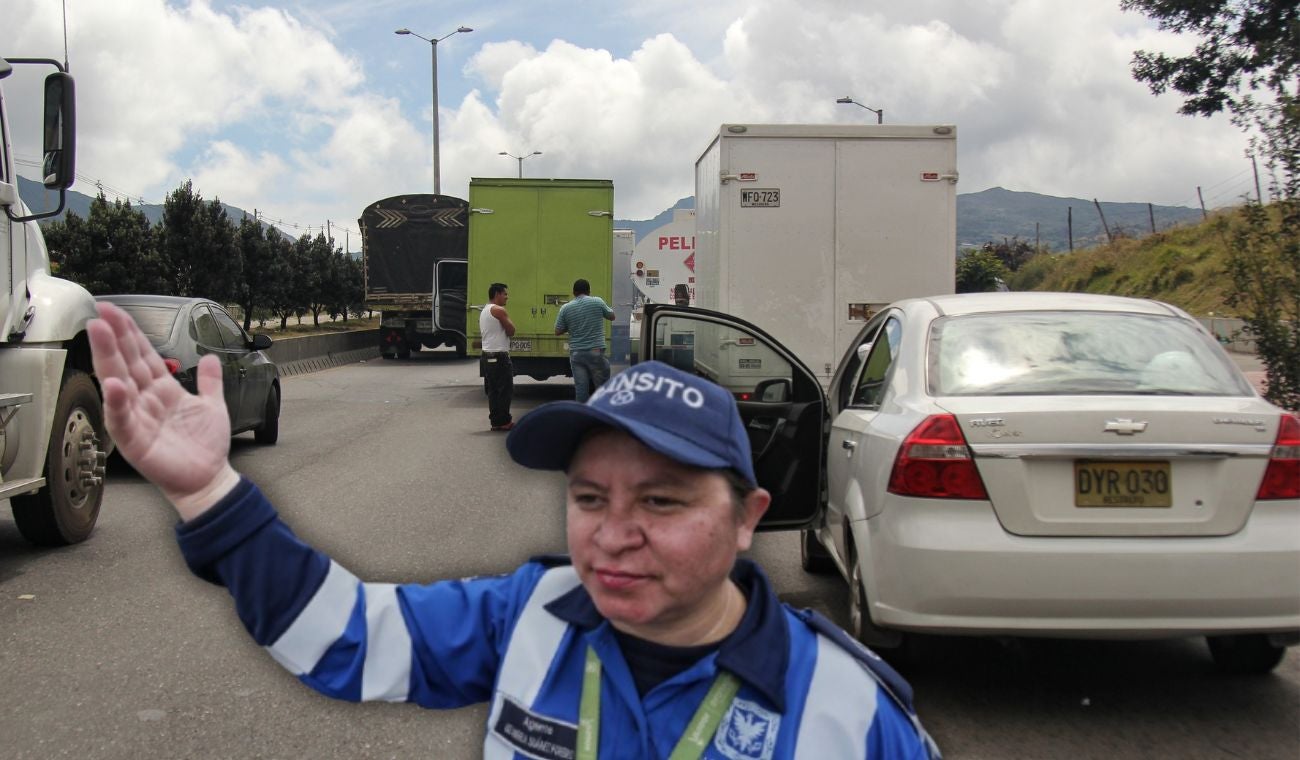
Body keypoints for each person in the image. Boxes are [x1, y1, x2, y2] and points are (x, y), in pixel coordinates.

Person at [86, 301, 940, 760]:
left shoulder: (850, 714)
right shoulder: (527, 615)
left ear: (748, 519)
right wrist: (211, 494)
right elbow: (340, 635)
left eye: (663, 502)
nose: (612, 536)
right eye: (590, 498)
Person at [554, 277, 615, 403]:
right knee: (601, 388)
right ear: (589, 291)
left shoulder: (566, 308)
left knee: (581, 389)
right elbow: (612, 316)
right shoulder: (597, 302)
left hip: (577, 353)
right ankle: (601, 414)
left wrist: (571, 325)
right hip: (595, 351)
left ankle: (581, 417)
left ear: (574, 292)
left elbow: (557, 331)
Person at [481, 282, 516, 431]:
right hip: (500, 356)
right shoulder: (498, 310)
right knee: (505, 389)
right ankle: (505, 421)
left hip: (487, 355)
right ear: (497, 294)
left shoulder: (485, 310)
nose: (507, 297)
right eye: (505, 294)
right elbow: (511, 330)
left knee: (494, 390)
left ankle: (495, 422)